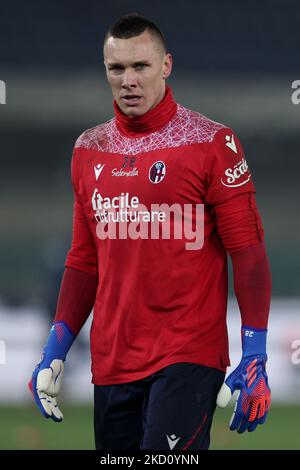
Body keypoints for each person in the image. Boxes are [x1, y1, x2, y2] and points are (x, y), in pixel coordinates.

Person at [28, 13, 272, 450]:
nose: (128, 80)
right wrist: (55, 348)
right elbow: (84, 261)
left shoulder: (212, 143)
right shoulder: (88, 149)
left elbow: (248, 252)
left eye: (140, 66)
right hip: (112, 363)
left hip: (188, 356)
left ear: (166, 66)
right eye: (116, 68)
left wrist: (255, 351)